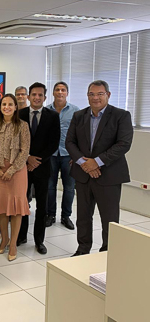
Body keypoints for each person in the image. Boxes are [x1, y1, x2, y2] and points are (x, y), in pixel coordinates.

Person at [66, 80, 133, 256]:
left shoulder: (121, 116)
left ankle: (107, 253)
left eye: (100, 94)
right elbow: (70, 142)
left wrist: (96, 162)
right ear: (87, 96)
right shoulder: (79, 116)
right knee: (83, 217)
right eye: (91, 94)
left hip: (109, 176)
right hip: (83, 175)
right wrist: (84, 163)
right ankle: (83, 249)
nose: (95, 98)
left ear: (108, 95)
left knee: (109, 219)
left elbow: (124, 144)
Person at [17, 82, 60, 255]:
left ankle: (39, 240)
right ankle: (21, 236)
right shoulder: (19, 114)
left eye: (40, 95)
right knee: (22, 203)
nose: (36, 98)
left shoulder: (53, 116)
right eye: (33, 94)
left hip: (42, 167)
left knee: (42, 206)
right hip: (22, 166)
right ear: (28, 97)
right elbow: (16, 140)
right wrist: (27, 158)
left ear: (45, 97)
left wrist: (36, 160)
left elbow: (54, 143)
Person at [0, 94, 31, 261]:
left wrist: (11, 170)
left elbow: (24, 151)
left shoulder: (22, 126)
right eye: (4, 104)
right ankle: (3, 239)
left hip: (17, 172)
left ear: (15, 107)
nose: (6, 107)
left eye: (10, 104)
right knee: (1, 208)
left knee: (16, 209)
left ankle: (13, 243)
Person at [46, 82, 80, 230]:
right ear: (53, 93)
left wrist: (77, 155)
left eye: (63, 90)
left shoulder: (75, 111)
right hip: (51, 155)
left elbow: (80, 134)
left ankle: (66, 216)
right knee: (50, 187)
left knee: (69, 187)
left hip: (68, 155)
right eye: (57, 90)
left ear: (67, 93)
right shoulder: (46, 110)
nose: (60, 92)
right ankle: (50, 215)